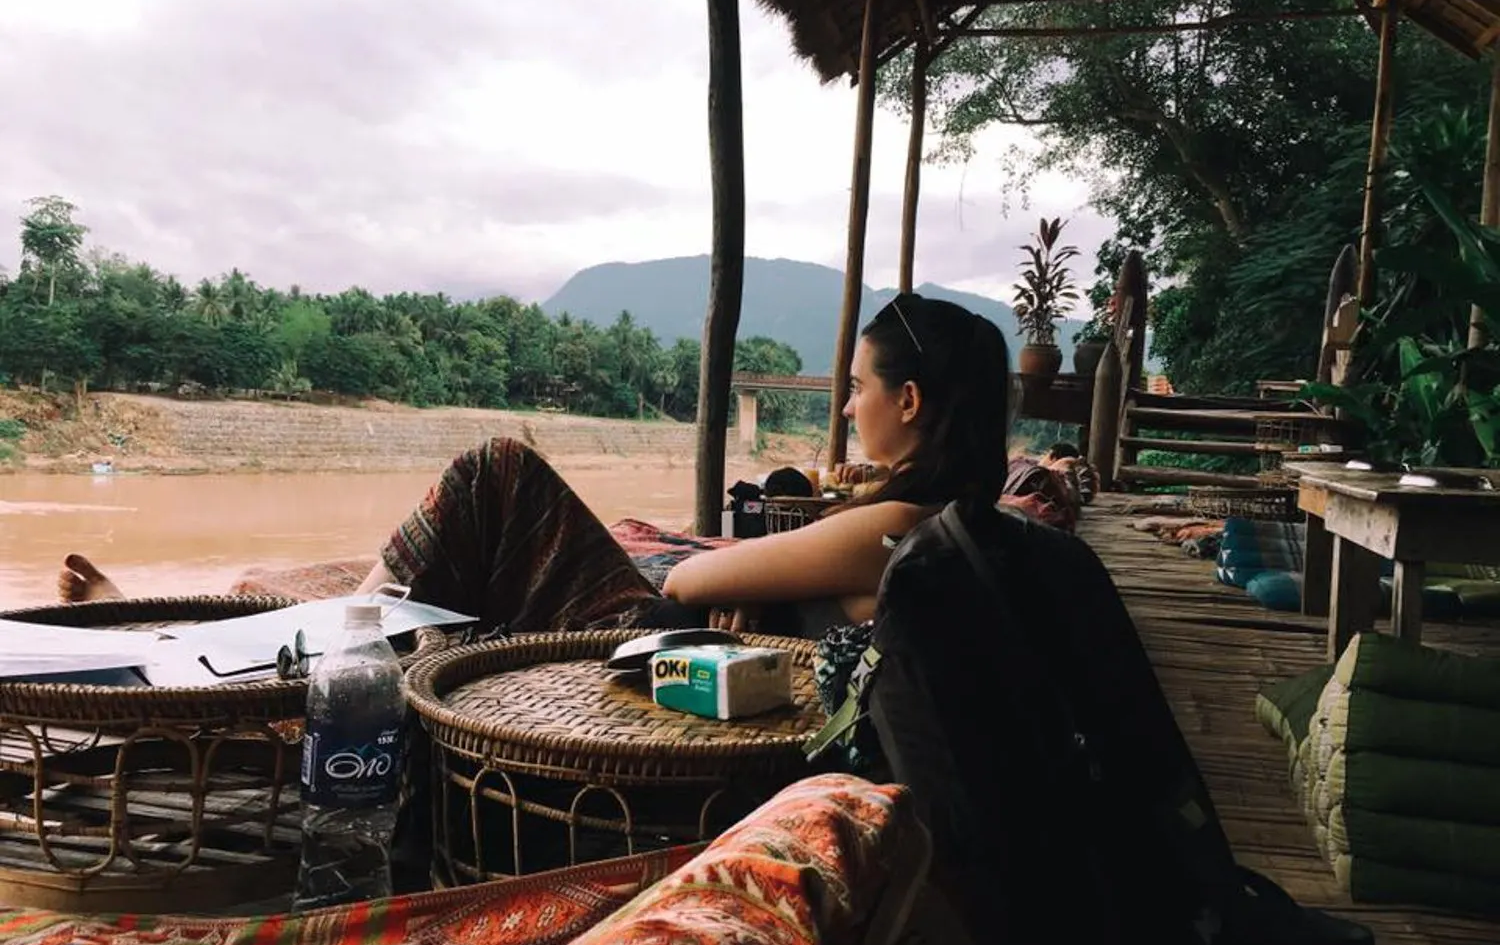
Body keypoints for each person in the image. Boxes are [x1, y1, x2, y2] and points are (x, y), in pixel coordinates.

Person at [59, 294, 1012, 640]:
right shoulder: (936, 521)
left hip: (640, 635)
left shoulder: (896, 528)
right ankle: (198, 627)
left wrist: (751, 585)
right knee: (397, 578)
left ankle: (244, 660)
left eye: (856, 389)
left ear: (912, 403)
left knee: (494, 474)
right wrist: (771, 585)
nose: (849, 407)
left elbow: (691, 573)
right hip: (681, 623)